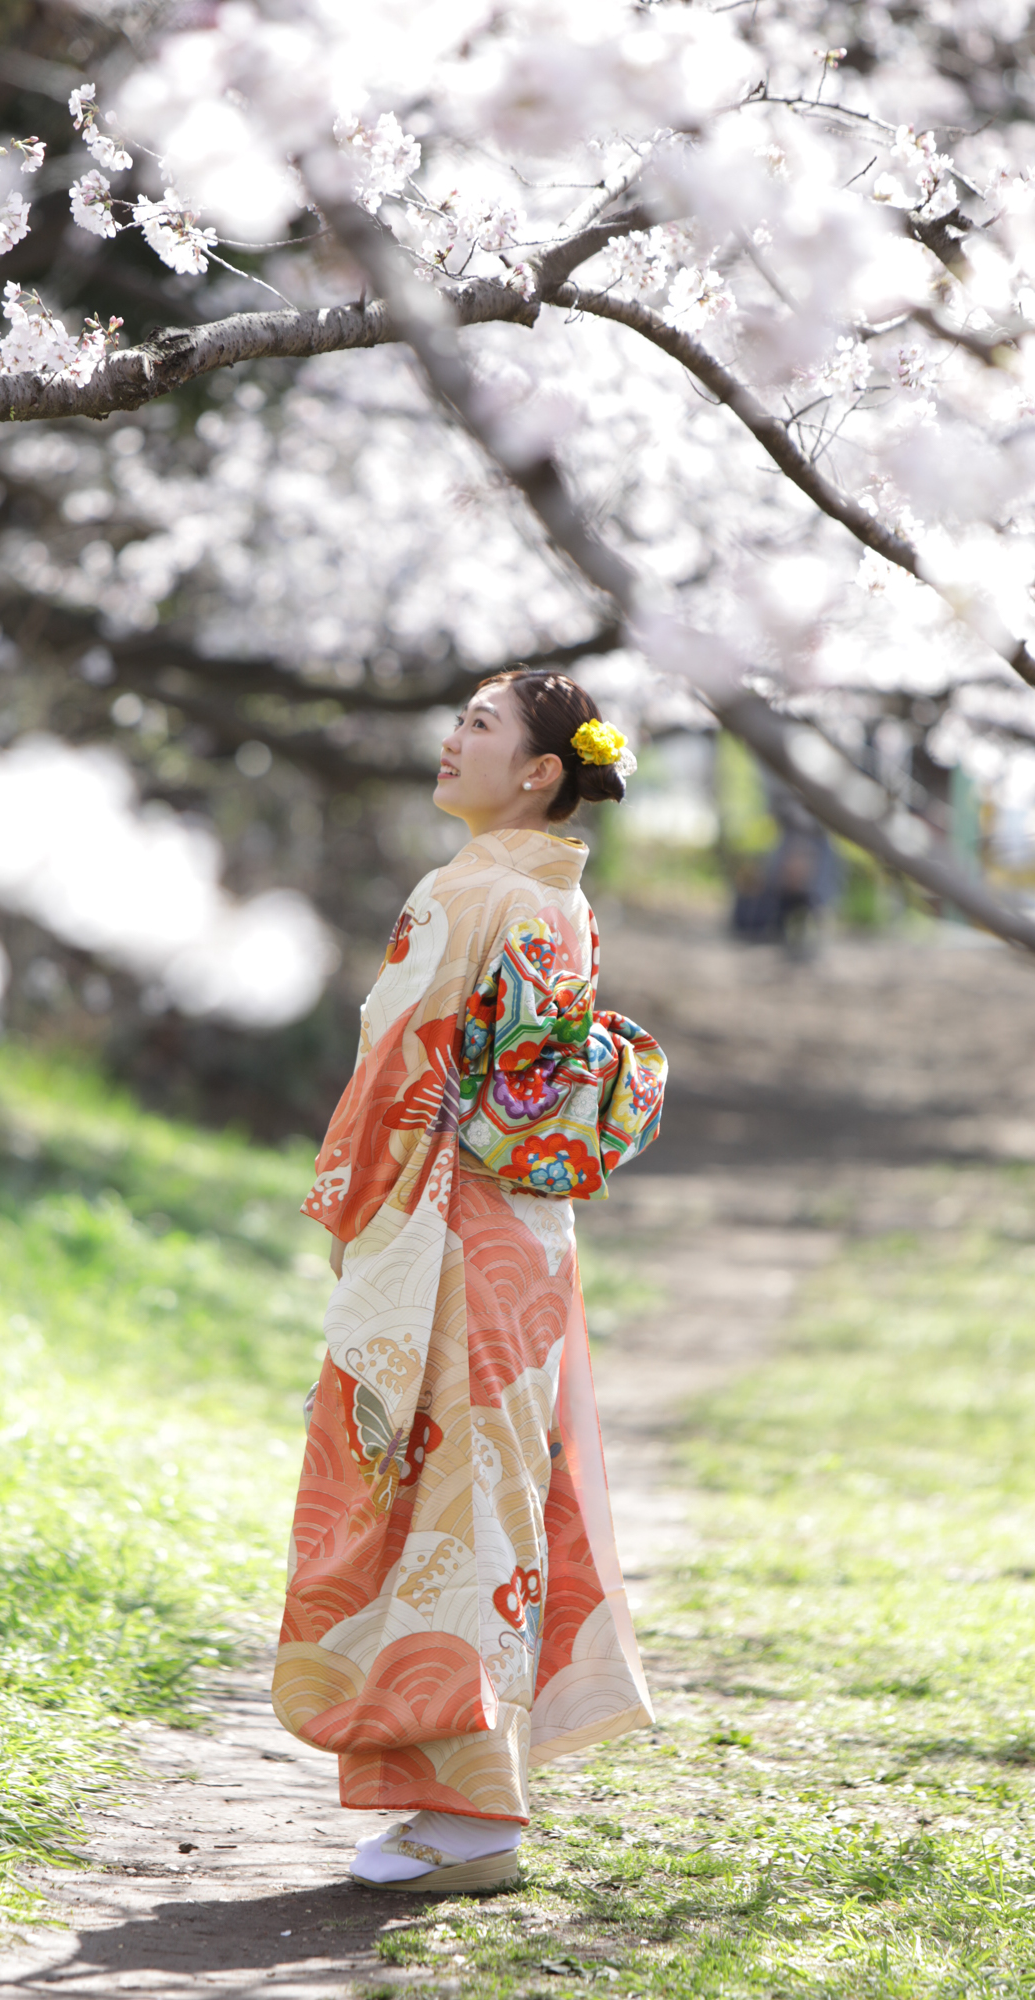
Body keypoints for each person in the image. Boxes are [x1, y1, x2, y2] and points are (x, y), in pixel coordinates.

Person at [272, 669, 667, 1893]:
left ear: (541, 771)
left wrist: (350, 1206)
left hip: (451, 1228)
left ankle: (478, 1816)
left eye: (482, 727)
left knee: (448, 1508)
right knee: (474, 1504)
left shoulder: (475, 889)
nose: (452, 740)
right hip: (514, 1238)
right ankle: (451, 1792)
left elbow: (400, 1075)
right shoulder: (548, 895)